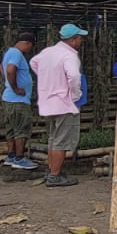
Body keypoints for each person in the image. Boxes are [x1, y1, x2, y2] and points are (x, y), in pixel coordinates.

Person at [29, 23, 87, 187]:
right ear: (73, 39)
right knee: (61, 140)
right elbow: (74, 76)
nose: (81, 41)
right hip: (64, 103)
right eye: (79, 38)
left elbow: (33, 62)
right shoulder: (69, 55)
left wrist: (47, 78)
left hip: (48, 102)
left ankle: (52, 170)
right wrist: (75, 94)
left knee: (53, 138)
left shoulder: (48, 52)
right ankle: (55, 176)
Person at [0, 31, 39, 171]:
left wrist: (8, 83)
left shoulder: (9, 52)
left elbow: (1, 67)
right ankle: (20, 158)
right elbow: (10, 70)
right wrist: (15, 88)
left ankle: (11, 155)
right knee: (22, 127)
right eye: (31, 47)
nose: (30, 51)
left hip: (9, 98)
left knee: (11, 127)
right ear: (27, 43)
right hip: (18, 100)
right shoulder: (16, 54)